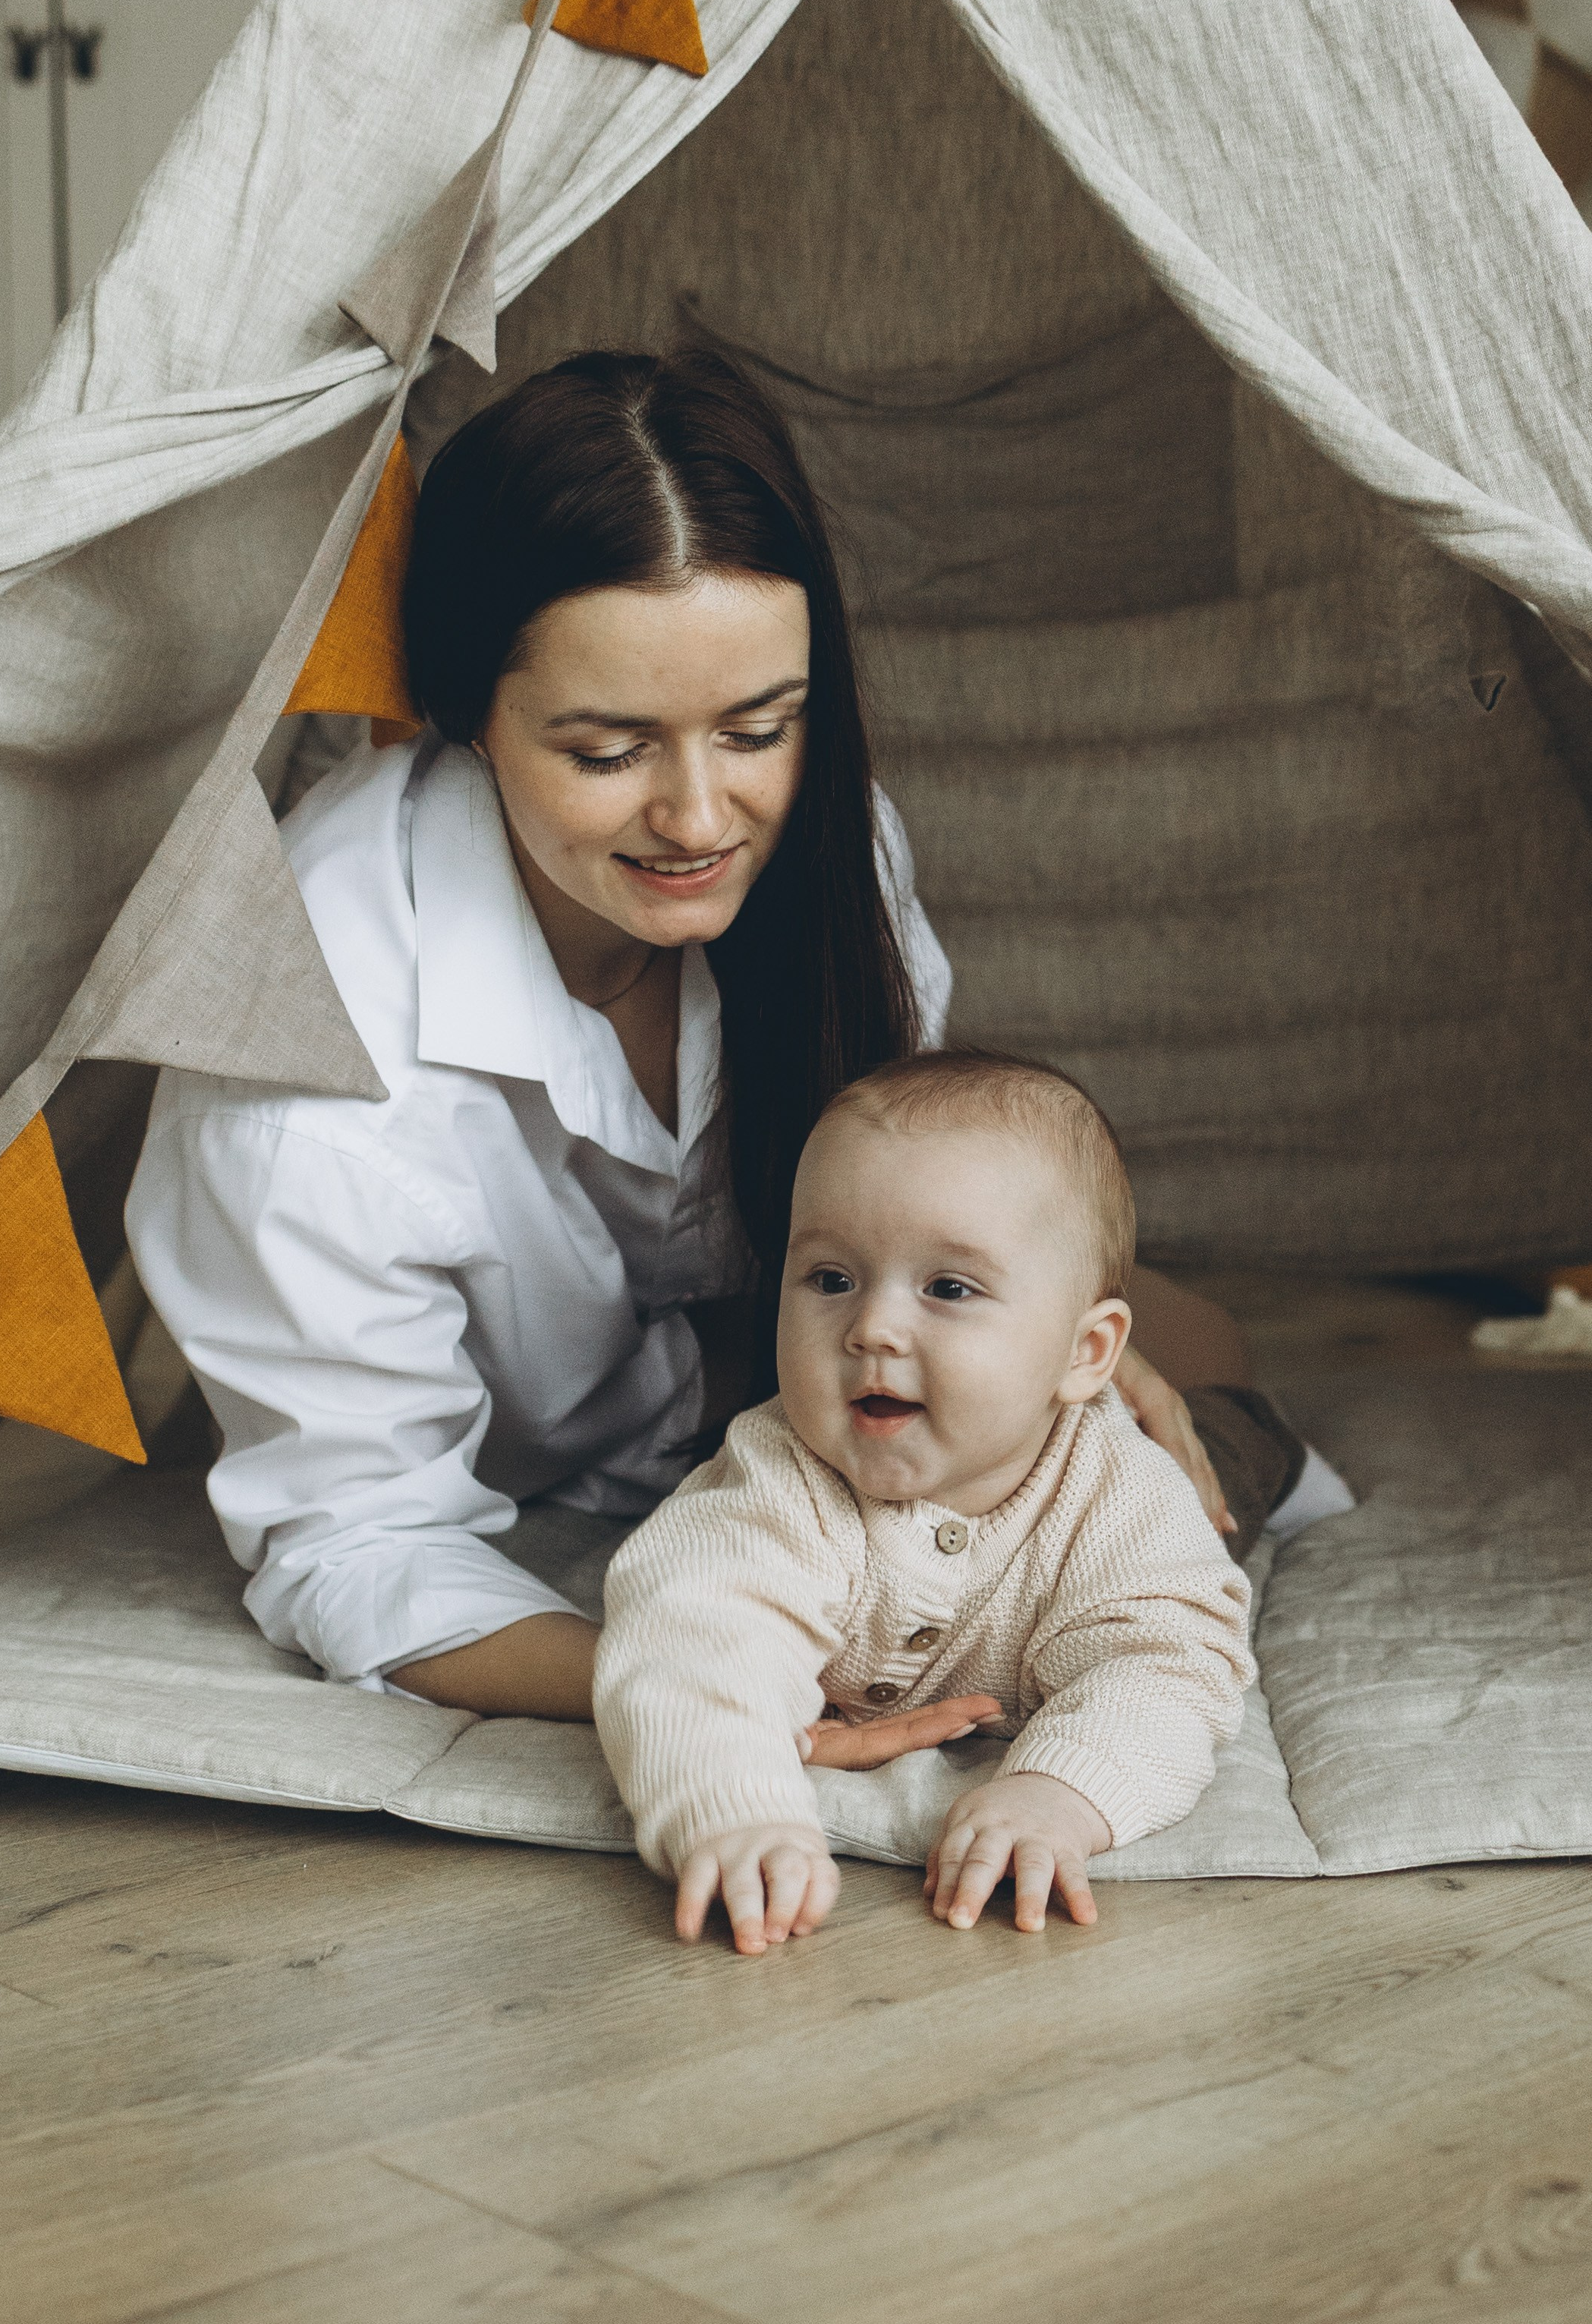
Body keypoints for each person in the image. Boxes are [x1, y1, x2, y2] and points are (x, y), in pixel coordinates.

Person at [127, 348, 1287, 1730]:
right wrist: (719, 1703)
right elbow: (359, 1549)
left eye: (758, 729)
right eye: (608, 752)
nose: (698, 817)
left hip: (796, 1378)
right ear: (464, 713)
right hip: (613, 1460)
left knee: (1191, 1355)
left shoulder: (829, 851)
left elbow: (919, 1192)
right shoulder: (299, 1071)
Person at [594, 1050, 1258, 1956]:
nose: (870, 1327)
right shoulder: (776, 1476)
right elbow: (692, 1635)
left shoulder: (1119, 1494)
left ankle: (1254, 1421)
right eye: (831, 1279)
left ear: (1084, 1351)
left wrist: (1059, 1795)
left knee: (1233, 1464)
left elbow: (1166, 1666)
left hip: (1190, 1471)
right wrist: (735, 1808)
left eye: (947, 1288)